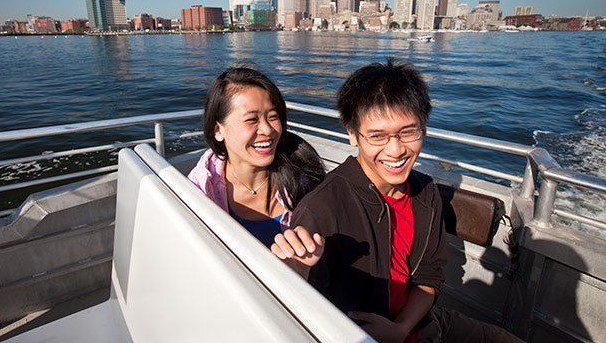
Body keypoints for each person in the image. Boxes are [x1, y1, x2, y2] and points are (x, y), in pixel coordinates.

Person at [271, 59, 523, 342]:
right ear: (353, 134)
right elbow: (301, 308)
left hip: (421, 324)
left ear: (423, 129)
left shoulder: (425, 192)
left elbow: (429, 276)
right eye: (378, 136)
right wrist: (298, 269)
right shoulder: (322, 209)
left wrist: (402, 327)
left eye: (407, 132)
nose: (396, 150)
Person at [188, 66, 325, 247]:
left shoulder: (305, 175)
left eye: (273, 116)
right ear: (218, 130)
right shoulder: (200, 189)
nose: (267, 130)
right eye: (252, 119)